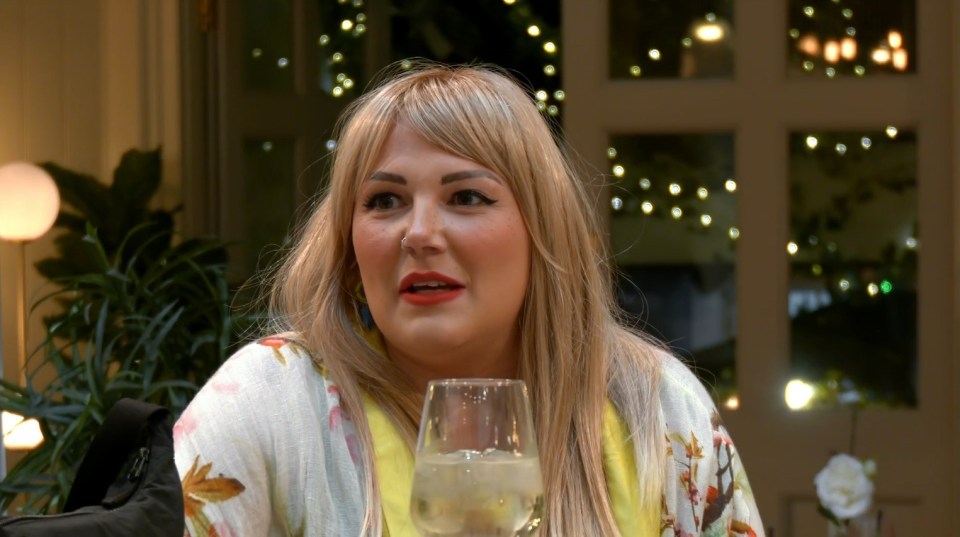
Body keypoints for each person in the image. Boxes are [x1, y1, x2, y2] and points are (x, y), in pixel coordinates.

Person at [174, 61, 765, 536]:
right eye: (384, 201)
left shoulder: (653, 401)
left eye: (466, 198)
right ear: (349, 248)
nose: (419, 233)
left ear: (542, 232)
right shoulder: (274, 397)